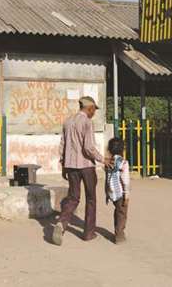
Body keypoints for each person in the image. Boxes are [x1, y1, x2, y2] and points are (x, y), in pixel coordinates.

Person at [52, 96, 112, 246]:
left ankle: (62, 222)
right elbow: (88, 148)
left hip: (71, 166)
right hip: (86, 166)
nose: (94, 113)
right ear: (90, 108)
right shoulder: (87, 122)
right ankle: (88, 233)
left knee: (73, 197)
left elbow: (62, 145)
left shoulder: (68, 121)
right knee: (91, 198)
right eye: (94, 110)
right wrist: (102, 159)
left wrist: (64, 165)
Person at [105, 137, 130, 244]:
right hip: (120, 192)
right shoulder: (123, 163)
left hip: (111, 191)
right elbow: (125, 180)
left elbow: (107, 177)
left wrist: (106, 193)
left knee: (117, 211)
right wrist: (127, 194)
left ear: (109, 149)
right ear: (122, 149)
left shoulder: (108, 162)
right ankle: (119, 235)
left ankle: (117, 231)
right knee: (122, 213)